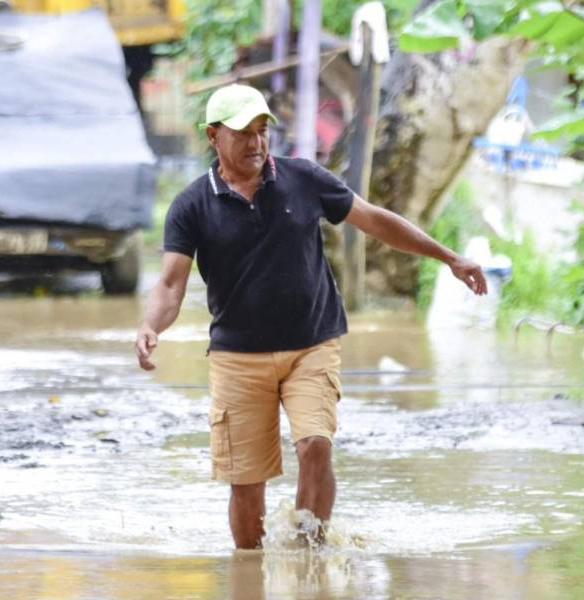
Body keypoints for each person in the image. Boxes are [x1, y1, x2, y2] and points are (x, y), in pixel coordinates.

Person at [135, 84, 487, 549]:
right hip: (238, 356)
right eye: (243, 133)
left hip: (311, 344)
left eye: (262, 132)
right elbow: (171, 284)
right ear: (213, 135)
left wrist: (449, 257)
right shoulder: (191, 205)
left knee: (315, 445)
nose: (257, 143)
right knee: (246, 483)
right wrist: (150, 326)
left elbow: (375, 219)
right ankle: (249, 574)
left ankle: (308, 558)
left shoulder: (304, 179)